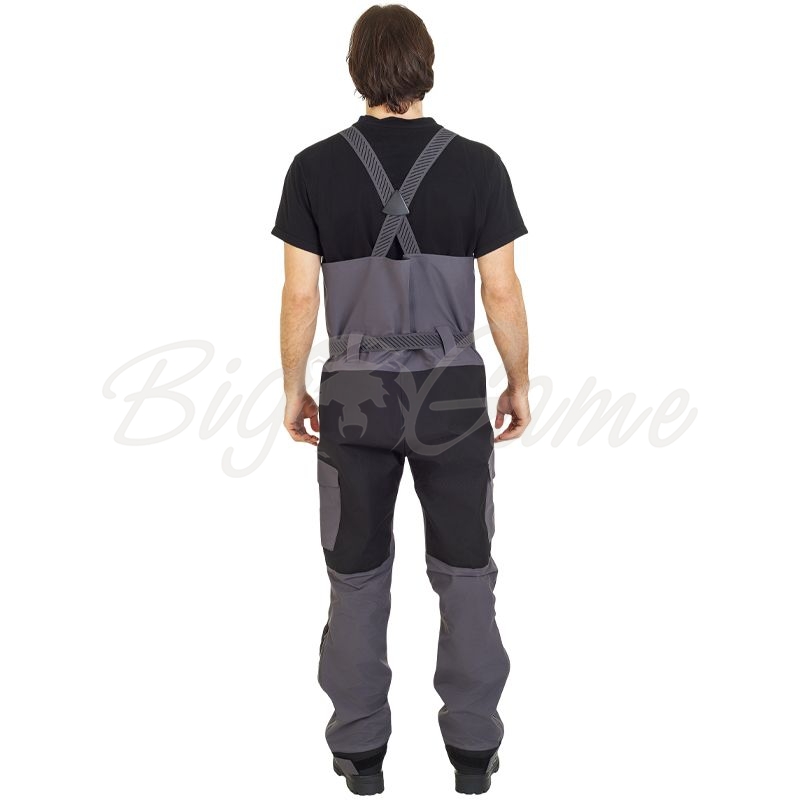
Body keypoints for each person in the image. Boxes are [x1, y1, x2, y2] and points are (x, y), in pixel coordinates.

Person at [271, 4, 531, 794]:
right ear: (427, 67)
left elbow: (299, 297)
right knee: (466, 573)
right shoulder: (479, 166)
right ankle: (473, 753)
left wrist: (294, 387)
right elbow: (501, 290)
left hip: (354, 397)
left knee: (355, 575)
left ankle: (360, 755)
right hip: (451, 396)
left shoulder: (313, 169)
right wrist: (518, 380)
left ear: (358, 70)